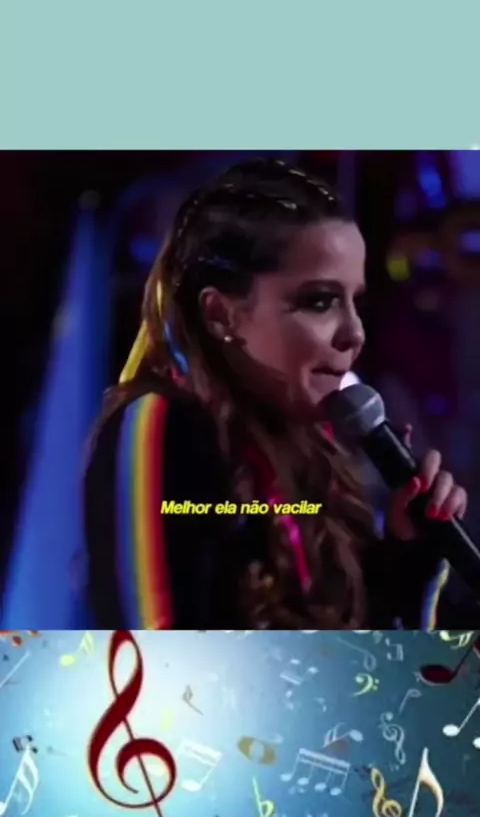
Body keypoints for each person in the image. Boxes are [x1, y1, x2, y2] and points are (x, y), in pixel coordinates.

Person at [84, 157, 467, 630]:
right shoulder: (160, 424)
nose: (354, 333)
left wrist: (406, 559)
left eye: (357, 302)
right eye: (320, 301)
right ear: (221, 314)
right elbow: (158, 664)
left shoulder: (319, 458)